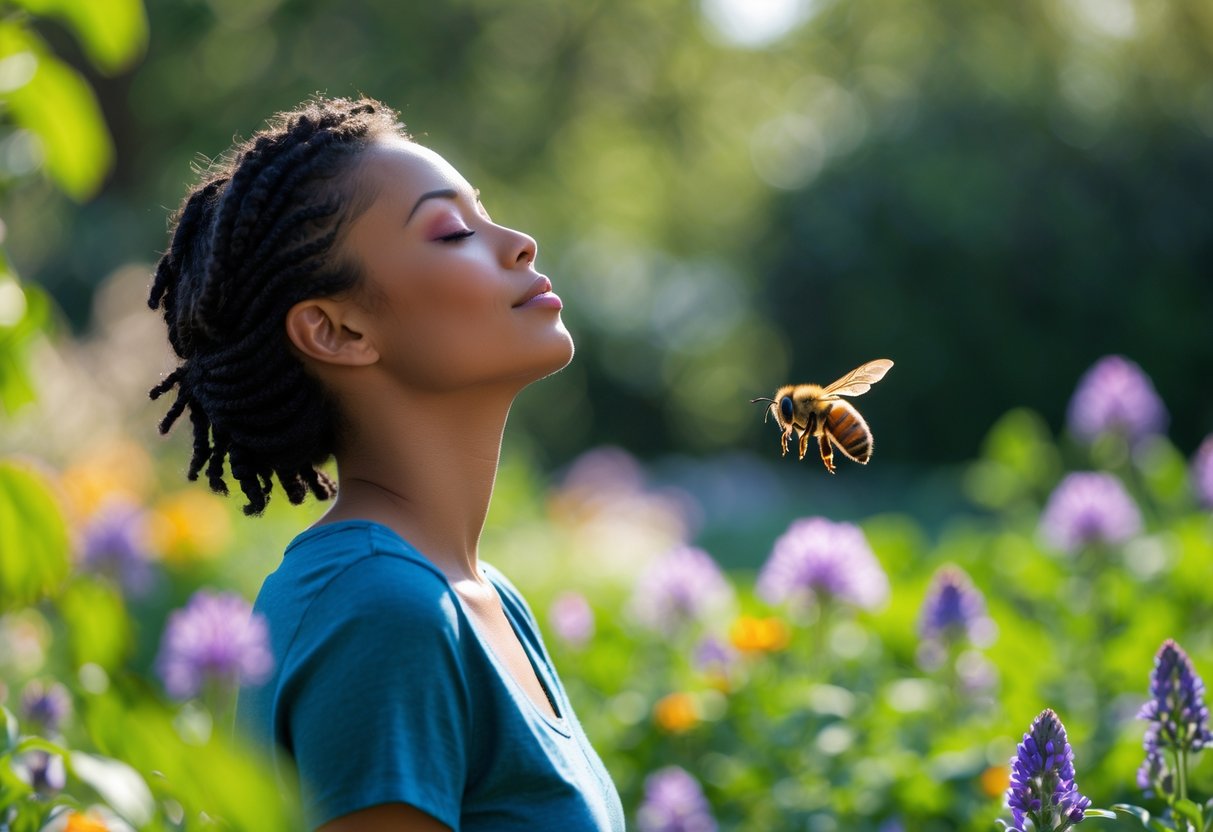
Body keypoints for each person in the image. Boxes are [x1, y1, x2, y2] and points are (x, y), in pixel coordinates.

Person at [148, 95, 625, 832]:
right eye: (453, 231)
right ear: (336, 331)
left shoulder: (475, 597)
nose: (519, 242)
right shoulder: (383, 611)